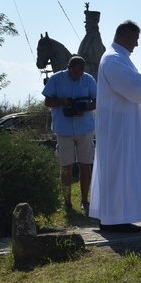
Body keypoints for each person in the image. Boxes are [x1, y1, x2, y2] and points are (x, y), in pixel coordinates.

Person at [89, 20, 141, 232]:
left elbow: (135, 83)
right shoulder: (113, 59)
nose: (136, 44)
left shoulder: (121, 59)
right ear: (126, 36)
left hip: (123, 126)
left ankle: (117, 217)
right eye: (135, 39)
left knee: (121, 170)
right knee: (119, 170)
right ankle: (115, 219)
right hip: (118, 129)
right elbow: (132, 86)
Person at [42, 55, 97, 216]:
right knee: (65, 166)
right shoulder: (56, 79)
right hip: (63, 129)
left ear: (83, 70)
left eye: (79, 73)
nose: (76, 76)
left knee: (85, 164)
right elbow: (47, 101)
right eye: (73, 73)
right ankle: (66, 202)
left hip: (84, 128)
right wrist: (62, 102)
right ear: (69, 68)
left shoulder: (89, 80)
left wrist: (84, 107)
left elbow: (97, 100)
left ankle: (84, 200)